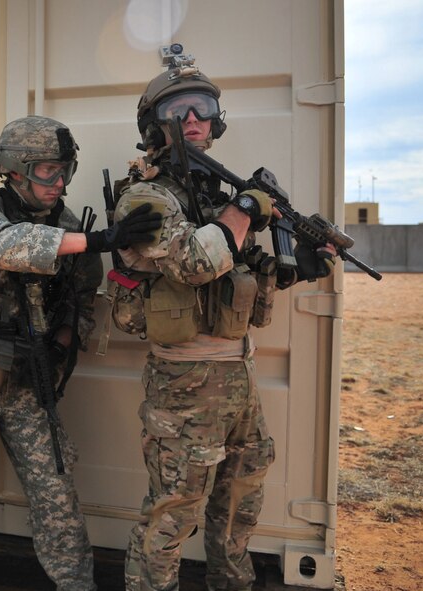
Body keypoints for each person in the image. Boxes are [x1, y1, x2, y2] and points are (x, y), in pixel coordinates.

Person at [111, 49, 337, 591]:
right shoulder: (146, 199)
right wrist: (248, 210)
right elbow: (193, 264)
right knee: (173, 513)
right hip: (184, 382)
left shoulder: (216, 197)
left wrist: (293, 265)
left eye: (203, 107)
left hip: (239, 377)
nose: (193, 118)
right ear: (154, 125)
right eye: (179, 108)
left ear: (216, 121)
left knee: (241, 502)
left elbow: (238, 272)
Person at [0, 115, 162, 591]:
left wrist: (65, 339)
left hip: (29, 378)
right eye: (49, 170)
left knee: (56, 490)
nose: (61, 181)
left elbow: (85, 294)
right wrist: (97, 240)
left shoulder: (66, 224)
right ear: (14, 170)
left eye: (66, 169)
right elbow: (1, 247)